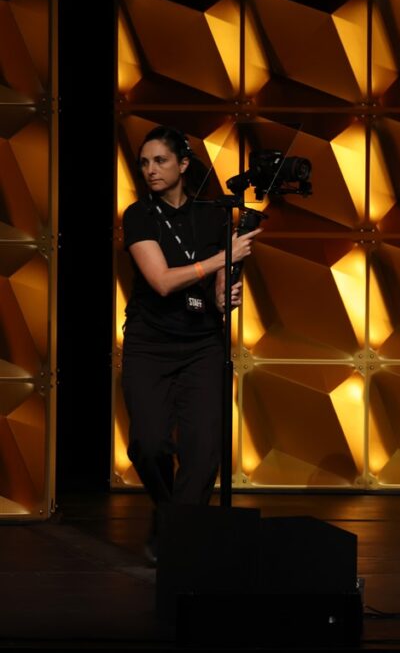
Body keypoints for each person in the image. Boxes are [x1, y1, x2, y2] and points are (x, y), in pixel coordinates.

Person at [121, 126, 260, 563]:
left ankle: (178, 536)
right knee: (148, 444)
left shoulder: (213, 216)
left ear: (182, 164)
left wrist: (224, 294)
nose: (151, 170)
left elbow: (219, 285)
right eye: (145, 162)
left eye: (160, 160)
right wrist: (223, 257)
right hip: (150, 343)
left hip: (202, 344)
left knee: (203, 451)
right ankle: (170, 515)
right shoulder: (139, 215)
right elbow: (162, 282)